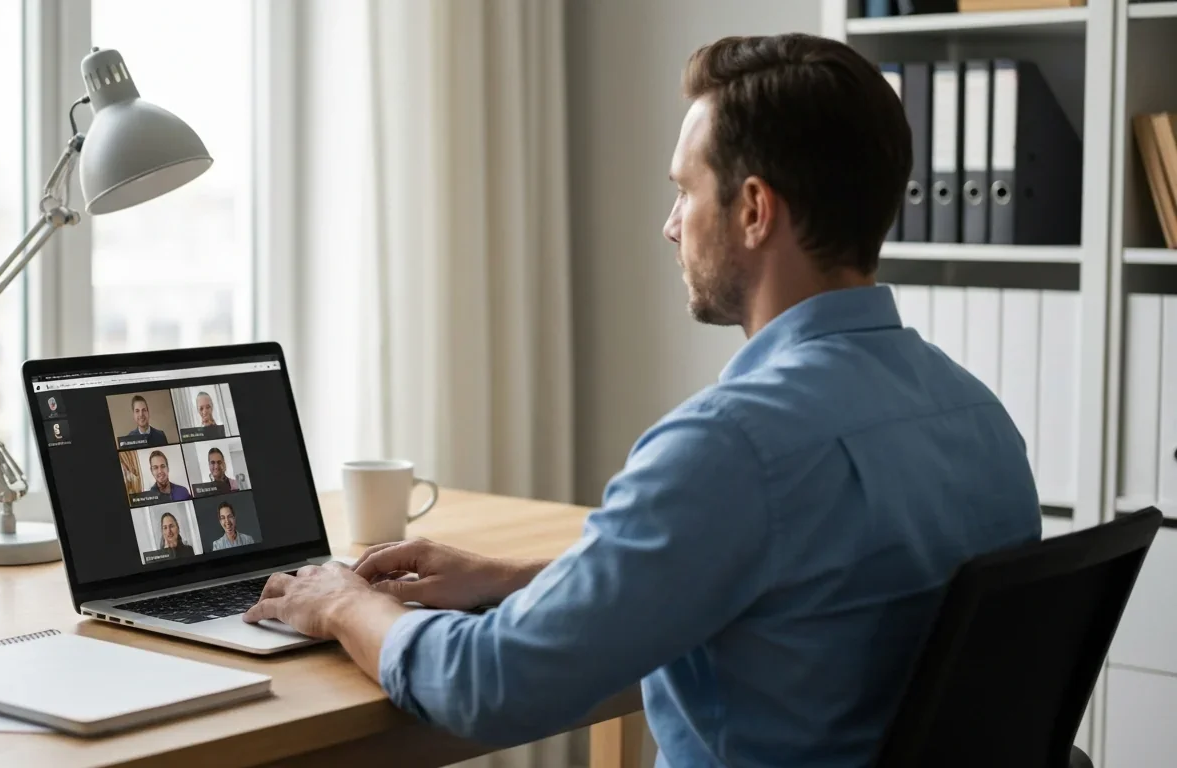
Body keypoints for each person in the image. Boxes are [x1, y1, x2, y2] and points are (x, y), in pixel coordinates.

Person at [239, 33, 1042, 766]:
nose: (669, 225)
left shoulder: (730, 446)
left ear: (755, 211)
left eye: (684, 192)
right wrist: (515, 579)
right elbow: (798, 581)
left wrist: (342, 603)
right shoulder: (979, 418)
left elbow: (490, 685)